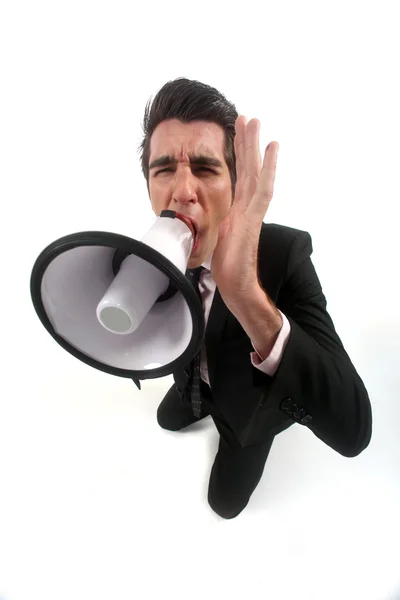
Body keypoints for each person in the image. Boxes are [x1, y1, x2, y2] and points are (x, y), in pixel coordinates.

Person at [137, 77, 372, 519]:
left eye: (206, 169)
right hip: (196, 383)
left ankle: (243, 430)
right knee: (168, 418)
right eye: (164, 169)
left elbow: (354, 428)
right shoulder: (150, 256)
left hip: (248, 411)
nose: (182, 190)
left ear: (237, 185)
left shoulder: (287, 255)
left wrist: (244, 293)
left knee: (223, 504)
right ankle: (197, 397)